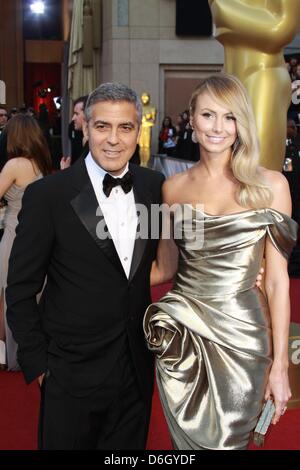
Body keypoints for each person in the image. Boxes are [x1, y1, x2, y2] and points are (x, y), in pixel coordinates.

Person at [6, 82, 165, 450]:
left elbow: (164, 258)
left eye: (125, 127)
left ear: (137, 130)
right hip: (69, 374)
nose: (113, 139)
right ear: (85, 127)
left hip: (135, 373)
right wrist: (41, 367)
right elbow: (19, 288)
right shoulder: (49, 194)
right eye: (102, 126)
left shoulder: (153, 186)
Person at [144, 74, 298, 450]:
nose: (218, 127)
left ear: (241, 124)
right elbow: (165, 267)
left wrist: (280, 366)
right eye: (208, 115)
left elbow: (277, 282)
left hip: (243, 339)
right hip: (184, 339)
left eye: (229, 117)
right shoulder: (172, 188)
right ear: (192, 120)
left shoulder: (271, 186)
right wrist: (86, 274)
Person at [209, 0, 300, 171]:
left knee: (257, 173)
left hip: (263, 74)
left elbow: (282, 28)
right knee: (222, 170)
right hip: (230, 74)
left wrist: (226, 11)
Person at [0, 115, 52, 371]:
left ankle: (7, 355)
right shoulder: (39, 163)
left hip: (13, 235)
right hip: (35, 238)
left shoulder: (14, 165)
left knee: (7, 294)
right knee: (31, 294)